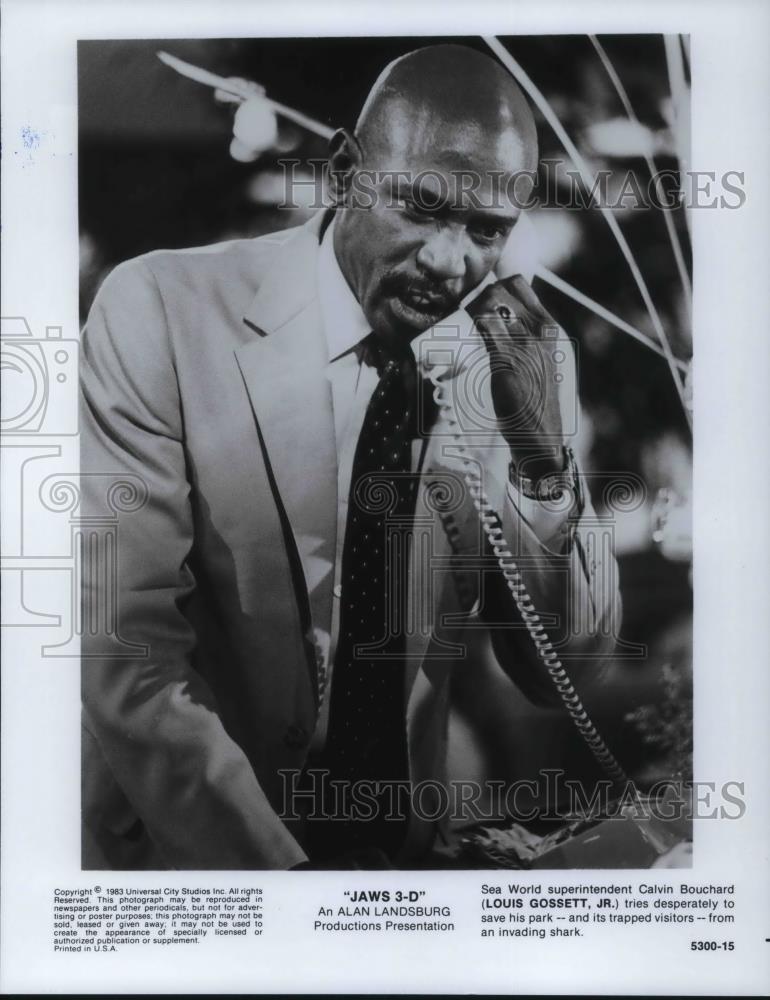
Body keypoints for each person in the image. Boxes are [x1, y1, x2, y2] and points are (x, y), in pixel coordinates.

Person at [80, 43, 620, 870]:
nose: (449, 263)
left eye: (485, 231)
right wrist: (294, 898)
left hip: (396, 870)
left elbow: (566, 678)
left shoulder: (503, 367)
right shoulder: (159, 309)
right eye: (420, 208)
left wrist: (544, 462)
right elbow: (129, 654)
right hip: (204, 870)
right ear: (343, 171)